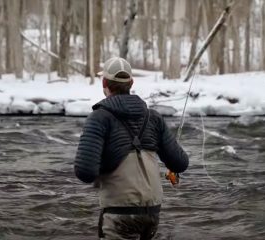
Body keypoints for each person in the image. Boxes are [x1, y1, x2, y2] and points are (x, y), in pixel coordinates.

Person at [74, 57, 189, 239]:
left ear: (104, 83)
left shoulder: (99, 118)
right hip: (152, 212)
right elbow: (180, 163)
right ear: (131, 83)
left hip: (118, 211)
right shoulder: (154, 118)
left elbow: (85, 172)